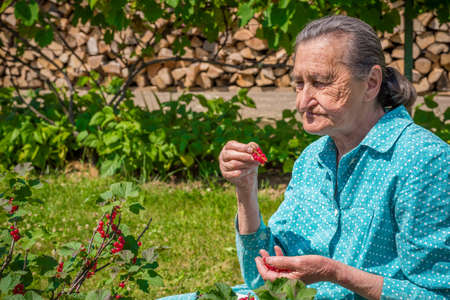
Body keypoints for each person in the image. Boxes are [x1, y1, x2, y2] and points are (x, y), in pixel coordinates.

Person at [160, 15, 449, 300]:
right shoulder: (314, 158)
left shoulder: (422, 160)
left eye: (321, 82)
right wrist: (246, 188)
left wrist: (333, 272)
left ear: (371, 82)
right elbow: (261, 278)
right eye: (299, 84)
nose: (302, 102)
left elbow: (437, 294)